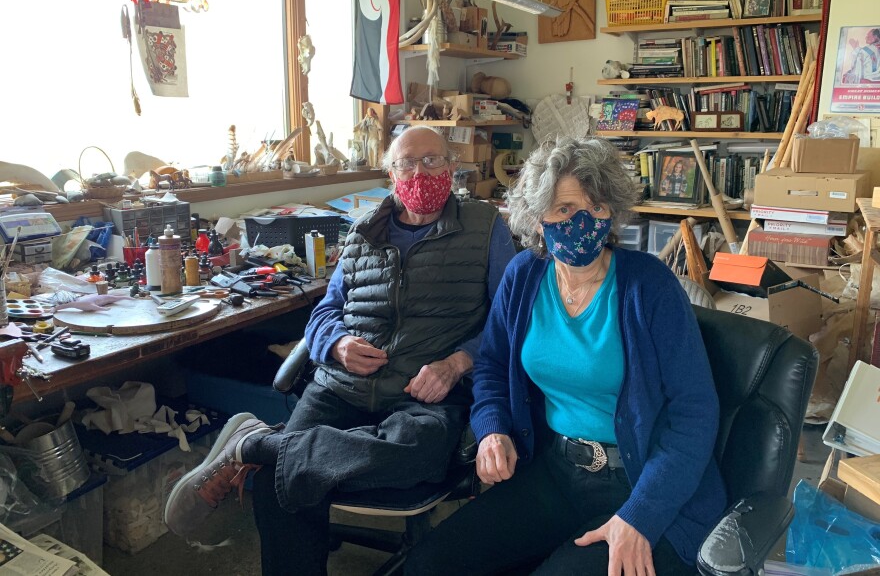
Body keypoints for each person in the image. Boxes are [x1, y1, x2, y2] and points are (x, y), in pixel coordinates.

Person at [163, 126, 517, 575]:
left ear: (451, 167)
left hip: (423, 395)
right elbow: (323, 315)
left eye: (432, 160)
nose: (420, 172)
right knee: (282, 481)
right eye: (408, 162)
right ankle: (272, 454)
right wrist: (337, 343)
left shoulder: (485, 227)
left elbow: (510, 318)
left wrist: (457, 362)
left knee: (423, 452)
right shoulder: (359, 234)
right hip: (342, 388)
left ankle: (259, 446)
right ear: (391, 172)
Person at [405, 136, 726, 575]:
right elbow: (494, 367)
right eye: (563, 211)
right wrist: (492, 429)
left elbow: (695, 412)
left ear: (612, 211)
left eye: (595, 209)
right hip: (557, 469)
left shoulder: (650, 286)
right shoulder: (523, 277)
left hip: (642, 482)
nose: (582, 223)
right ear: (538, 219)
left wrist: (641, 517)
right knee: (430, 564)